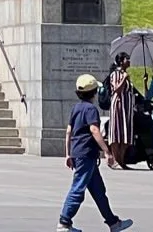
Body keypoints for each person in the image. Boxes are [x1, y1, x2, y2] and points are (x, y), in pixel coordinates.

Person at [58, 72, 133, 232]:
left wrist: (68, 153)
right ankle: (64, 222)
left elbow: (68, 131)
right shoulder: (91, 109)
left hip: (79, 153)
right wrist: (107, 150)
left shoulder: (76, 108)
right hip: (87, 154)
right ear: (95, 93)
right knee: (78, 188)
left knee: (99, 191)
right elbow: (94, 129)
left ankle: (113, 222)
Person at [102, 52, 137, 166]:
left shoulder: (125, 73)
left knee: (125, 134)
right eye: (127, 59)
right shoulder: (116, 74)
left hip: (126, 108)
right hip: (118, 106)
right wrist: (124, 79)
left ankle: (121, 160)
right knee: (116, 133)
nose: (129, 61)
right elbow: (116, 89)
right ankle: (116, 159)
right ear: (121, 61)